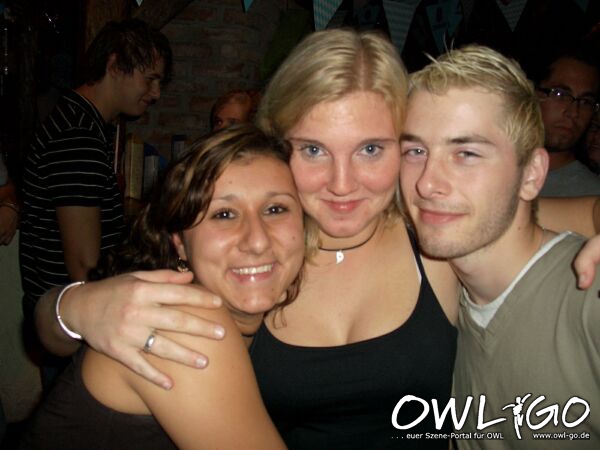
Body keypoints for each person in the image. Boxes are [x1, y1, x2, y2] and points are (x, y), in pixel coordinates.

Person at [33, 29, 600, 449]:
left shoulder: (434, 233)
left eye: (371, 149)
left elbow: (542, 214)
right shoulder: (257, 255)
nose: (342, 184)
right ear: (277, 145)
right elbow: (73, 345)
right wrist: (72, 306)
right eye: (312, 149)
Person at [21, 124, 305, 449]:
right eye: (224, 214)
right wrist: (69, 305)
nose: (257, 241)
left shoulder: (289, 307)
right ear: (180, 243)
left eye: (275, 209)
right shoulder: (183, 326)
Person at [400, 45, 599, 448]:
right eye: (415, 151)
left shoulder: (588, 294)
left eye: (466, 153)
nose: (426, 182)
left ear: (532, 175)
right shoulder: (439, 302)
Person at [19, 19, 172, 388]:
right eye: (150, 79)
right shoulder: (78, 136)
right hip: (72, 320)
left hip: (63, 311)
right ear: (115, 65)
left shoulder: (81, 122)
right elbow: (83, 263)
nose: (156, 93)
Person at [535, 47, 600, 197]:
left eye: (585, 101)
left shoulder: (591, 196)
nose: (574, 112)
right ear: (532, 93)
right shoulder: (494, 166)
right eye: (560, 94)